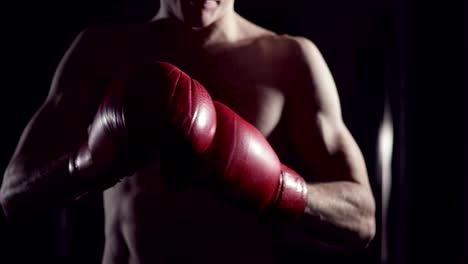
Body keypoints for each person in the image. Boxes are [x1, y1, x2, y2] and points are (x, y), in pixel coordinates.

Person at [0, 0, 376, 263]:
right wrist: (86, 165)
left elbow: (362, 218)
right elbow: (13, 194)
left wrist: (277, 188)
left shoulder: (289, 60)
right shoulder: (102, 52)